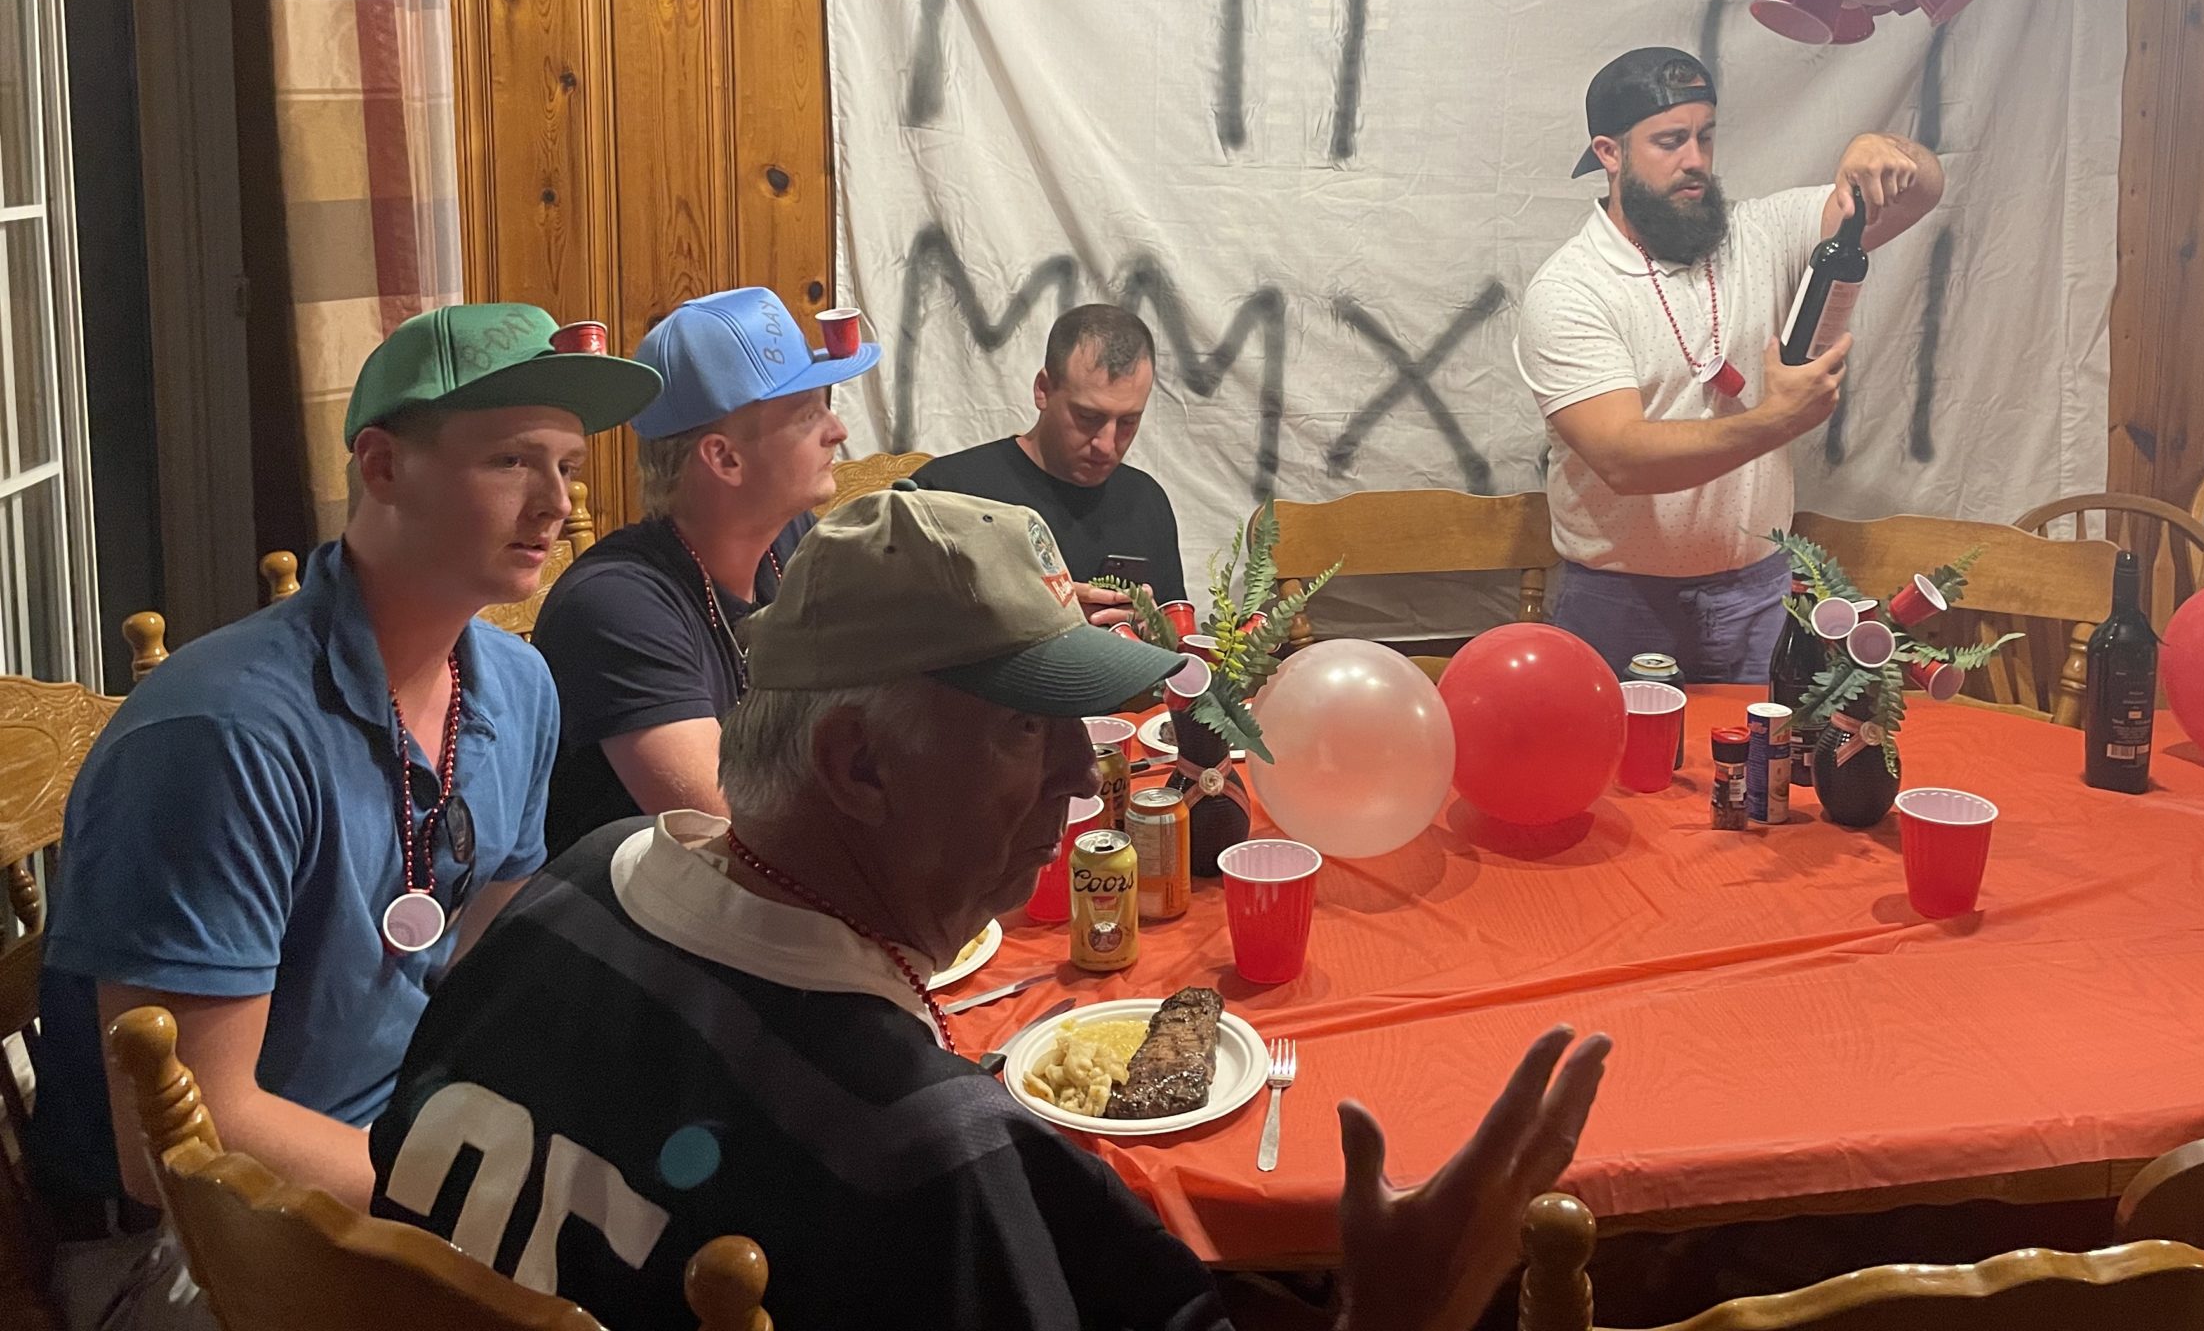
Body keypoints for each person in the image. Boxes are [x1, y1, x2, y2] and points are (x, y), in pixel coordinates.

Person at [372, 483, 1610, 1331]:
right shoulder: (926, 1161)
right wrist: (1399, 1311)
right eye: (1025, 729)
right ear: (858, 764)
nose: (1078, 777)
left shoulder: (575, 885)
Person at [31, 304, 660, 1330]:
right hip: (181, 1241)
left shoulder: (517, 685)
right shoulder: (221, 735)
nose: (557, 503)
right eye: (511, 460)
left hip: (401, 1137)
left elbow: (487, 973)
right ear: (382, 466)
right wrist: (491, 1204)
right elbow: (181, 1145)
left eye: (569, 467)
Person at [1518, 47, 1944, 682]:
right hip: (1621, 603)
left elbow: (1921, 192)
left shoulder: (1759, 233)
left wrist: (1881, 149)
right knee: (1622, 752)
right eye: (1670, 141)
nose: (1695, 159)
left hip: (1758, 595)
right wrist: (1777, 420)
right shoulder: (1571, 289)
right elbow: (1623, 459)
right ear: (1610, 153)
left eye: (1706, 136)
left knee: (1765, 751)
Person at [535, 287, 874, 851]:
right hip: (652, 901)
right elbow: (738, 834)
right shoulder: (615, 606)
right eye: (808, 413)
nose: (836, 431)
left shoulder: (789, 539)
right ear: (724, 458)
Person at [916, 302, 1186, 623]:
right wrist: (1049, 619)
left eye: (1128, 422)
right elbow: (895, 635)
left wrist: (1153, 632)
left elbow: (1177, 638)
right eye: (1088, 417)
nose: (1106, 444)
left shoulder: (1146, 501)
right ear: (1043, 390)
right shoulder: (945, 492)